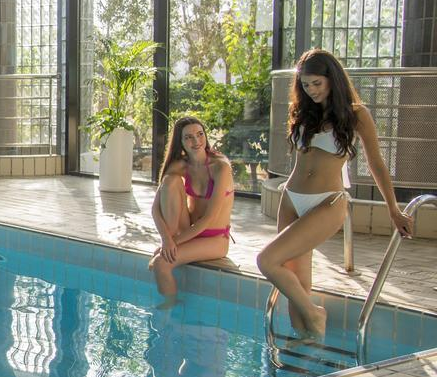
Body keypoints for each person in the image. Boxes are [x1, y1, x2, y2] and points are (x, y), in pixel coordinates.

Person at [257, 48, 413, 338]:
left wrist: (393, 209)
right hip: (291, 199)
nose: (311, 90)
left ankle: (315, 314)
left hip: (327, 202)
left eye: (317, 83)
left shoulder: (356, 115)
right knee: (297, 285)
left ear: (332, 79)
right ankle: (307, 347)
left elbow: (377, 164)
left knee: (267, 261)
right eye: (306, 85)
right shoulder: (304, 112)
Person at [148, 116, 235, 302]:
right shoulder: (180, 166)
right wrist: (166, 240)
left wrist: (173, 243)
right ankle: (170, 308)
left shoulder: (221, 167)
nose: (196, 141)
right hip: (188, 231)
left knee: (161, 264)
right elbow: (155, 209)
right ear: (180, 142)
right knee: (170, 181)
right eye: (188, 137)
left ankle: (170, 312)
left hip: (214, 238)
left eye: (200, 134)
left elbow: (208, 219)